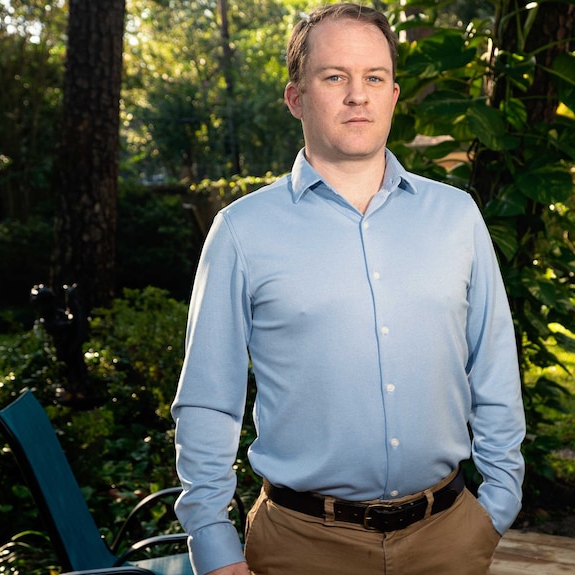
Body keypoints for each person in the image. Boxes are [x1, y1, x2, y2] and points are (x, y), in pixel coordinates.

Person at [171, 3, 525, 574]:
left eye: (374, 78)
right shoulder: (242, 231)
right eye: (335, 76)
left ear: (392, 94)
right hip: (299, 548)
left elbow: (494, 365)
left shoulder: (457, 217)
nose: (357, 95)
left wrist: (497, 504)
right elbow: (209, 401)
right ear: (296, 98)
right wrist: (213, 546)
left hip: (449, 540)